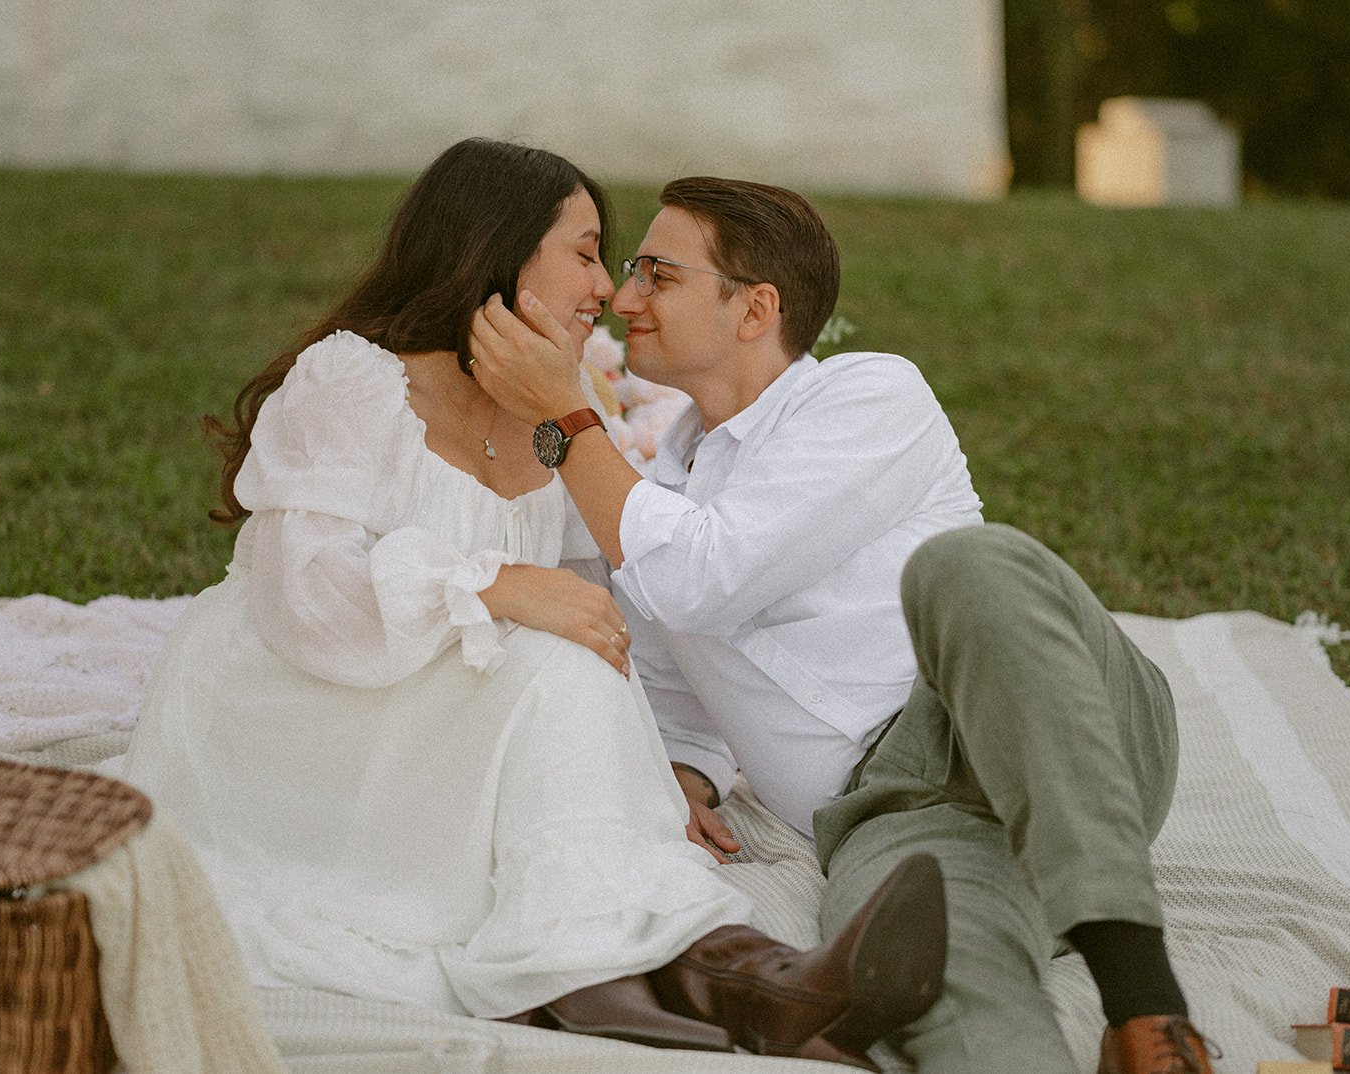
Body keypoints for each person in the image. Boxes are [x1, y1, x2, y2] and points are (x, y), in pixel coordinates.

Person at [122, 139, 948, 1067]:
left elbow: (623, 602)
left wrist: (667, 758)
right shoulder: (355, 380)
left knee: (571, 684)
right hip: (299, 712)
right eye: (591, 253)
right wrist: (495, 584)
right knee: (559, 673)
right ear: (501, 252)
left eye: (629, 265)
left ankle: (727, 993)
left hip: (447, 712)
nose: (608, 289)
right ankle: (751, 988)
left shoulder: (556, 421)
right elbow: (302, 595)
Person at [467, 175, 1218, 1074]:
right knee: (939, 983)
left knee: (967, 569)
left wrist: (566, 413)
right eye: (628, 272)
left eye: (657, 275)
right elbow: (673, 663)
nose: (624, 299)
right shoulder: (654, 495)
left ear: (755, 310)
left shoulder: (869, 398)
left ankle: (1146, 1011)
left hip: (1048, 716)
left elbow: (704, 577)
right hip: (895, 814)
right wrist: (688, 772)